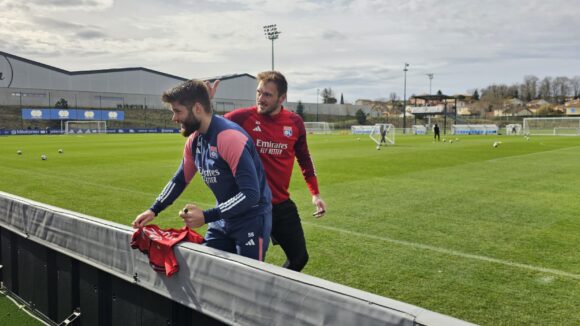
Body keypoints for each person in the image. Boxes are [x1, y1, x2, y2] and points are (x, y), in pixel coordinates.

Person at [132, 79, 272, 261]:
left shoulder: (229, 137)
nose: (174, 118)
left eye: (177, 111)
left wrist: (206, 216)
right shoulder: (194, 140)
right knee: (206, 271)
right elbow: (180, 179)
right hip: (222, 218)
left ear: (197, 108)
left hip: (251, 220)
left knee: (249, 282)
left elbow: (250, 194)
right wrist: (154, 209)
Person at [215, 71, 326, 272]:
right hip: (250, 206)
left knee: (299, 257)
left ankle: (272, 293)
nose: (260, 99)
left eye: (267, 95)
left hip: (280, 204)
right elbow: (210, 126)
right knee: (248, 265)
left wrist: (315, 194)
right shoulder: (240, 118)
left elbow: (305, 159)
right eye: (259, 92)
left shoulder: (295, 123)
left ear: (282, 98)